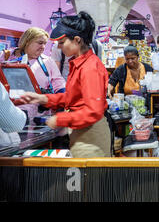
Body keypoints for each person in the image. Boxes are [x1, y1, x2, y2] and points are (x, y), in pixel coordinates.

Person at [20, 12, 111, 158]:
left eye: (62, 43)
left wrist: (59, 120)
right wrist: (44, 99)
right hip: (81, 130)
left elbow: (93, 111)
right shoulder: (78, 63)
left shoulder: (90, 67)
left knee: (88, 179)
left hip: (90, 135)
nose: (59, 47)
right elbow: (73, 97)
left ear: (77, 40)